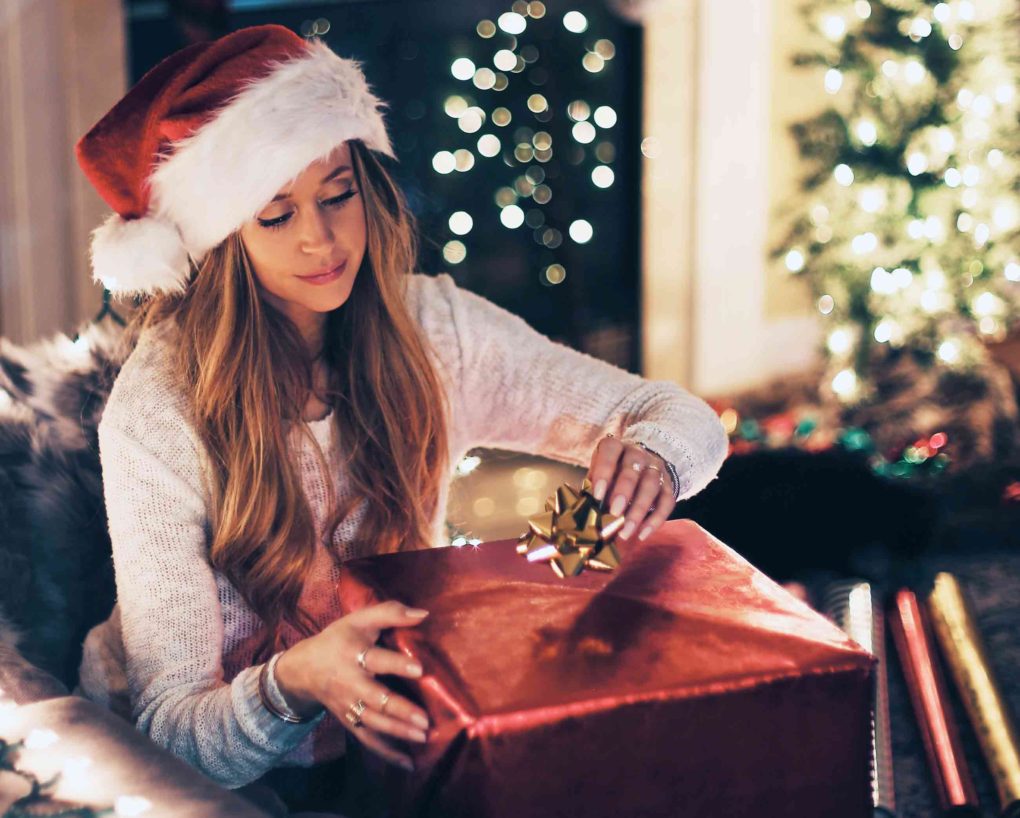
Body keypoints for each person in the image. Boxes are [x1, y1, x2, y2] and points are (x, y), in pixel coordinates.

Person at [72, 23, 729, 817]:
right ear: (219, 242)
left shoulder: (432, 328)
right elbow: (172, 733)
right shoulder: (160, 412)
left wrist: (655, 456)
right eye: (275, 216)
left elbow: (679, 416)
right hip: (199, 779)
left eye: (337, 193)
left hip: (398, 723)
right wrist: (297, 682)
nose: (320, 238)